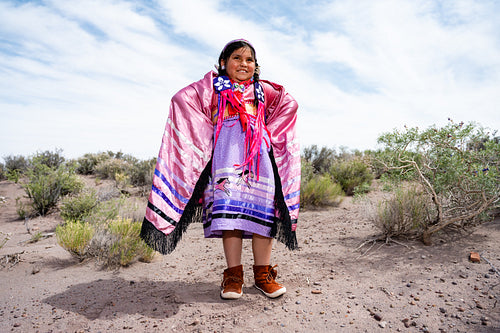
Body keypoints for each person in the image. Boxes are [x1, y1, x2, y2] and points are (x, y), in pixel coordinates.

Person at [140, 39, 300, 300]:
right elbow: (181, 99)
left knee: (264, 219)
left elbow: (289, 104)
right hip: (226, 161)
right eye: (237, 58)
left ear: (256, 67)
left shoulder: (263, 91)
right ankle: (233, 276)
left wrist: (268, 131)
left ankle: (263, 275)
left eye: (249, 60)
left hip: (260, 163)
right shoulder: (213, 89)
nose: (243, 64)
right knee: (231, 221)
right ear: (223, 63)